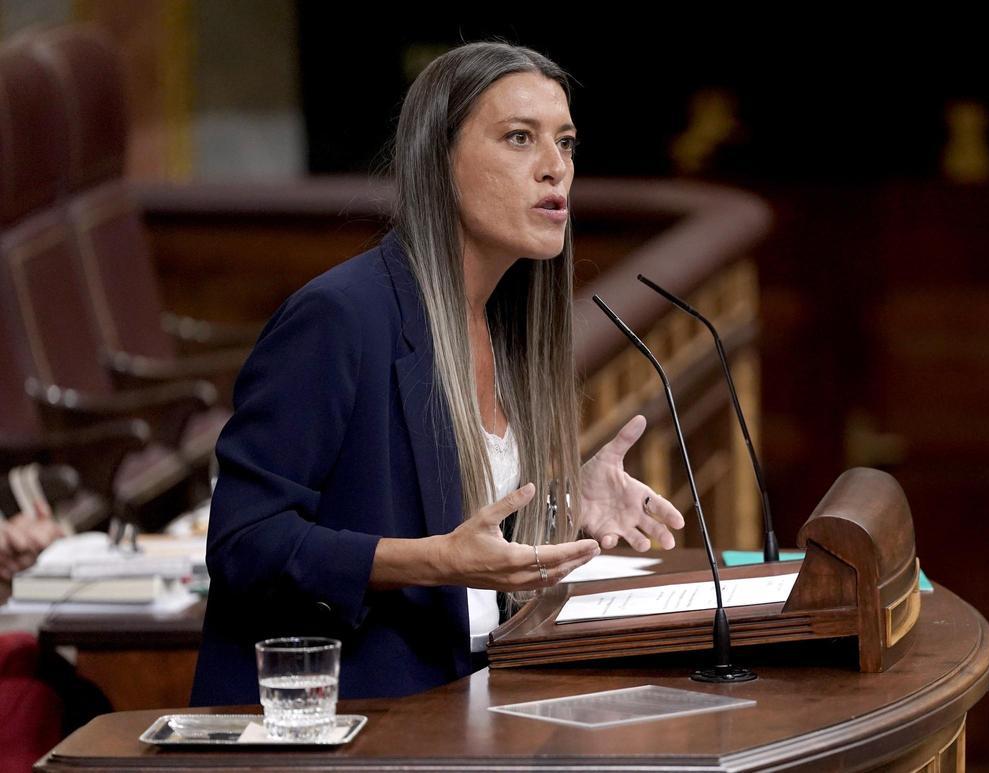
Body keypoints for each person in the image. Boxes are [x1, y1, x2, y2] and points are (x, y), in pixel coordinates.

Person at [191, 41, 685, 705]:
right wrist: (433, 561)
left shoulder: (511, 327)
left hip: (482, 699)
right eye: (519, 138)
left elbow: (476, 531)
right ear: (438, 160)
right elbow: (244, 544)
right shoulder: (340, 318)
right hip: (357, 720)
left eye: (566, 143)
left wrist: (563, 502)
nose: (555, 170)